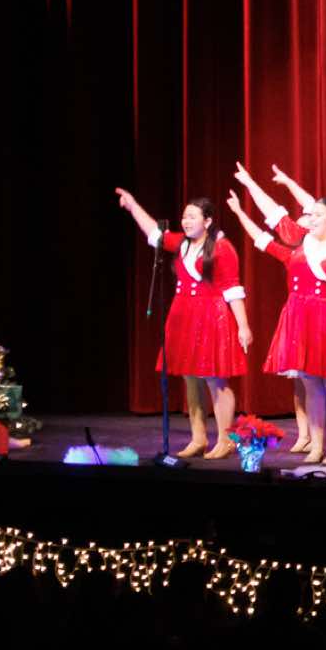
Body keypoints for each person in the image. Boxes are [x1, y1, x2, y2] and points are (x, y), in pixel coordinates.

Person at [224, 189, 326, 466]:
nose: (311, 219)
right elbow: (264, 242)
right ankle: (316, 445)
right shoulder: (301, 249)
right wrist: (239, 213)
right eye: (310, 214)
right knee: (311, 384)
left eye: (318, 215)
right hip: (302, 320)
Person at [115, 189, 250, 459]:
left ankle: (226, 440)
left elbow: (233, 289)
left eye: (192, 217)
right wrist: (133, 206)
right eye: (184, 217)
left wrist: (243, 326)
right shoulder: (182, 243)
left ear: (207, 221)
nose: (186, 222)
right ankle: (198, 438)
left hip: (211, 316)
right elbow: (154, 233)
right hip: (183, 315)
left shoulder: (222, 248)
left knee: (215, 380)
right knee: (190, 377)